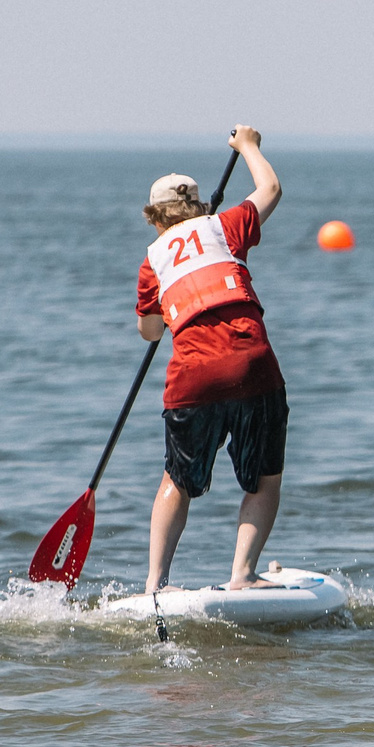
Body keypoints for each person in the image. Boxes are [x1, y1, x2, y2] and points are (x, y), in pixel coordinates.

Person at [137, 126, 288, 593]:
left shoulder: (153, 262)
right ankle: (242, 574)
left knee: (177, 481)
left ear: (156, 219)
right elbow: (271, 189)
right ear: (199, 207)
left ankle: (156, 584)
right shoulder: (224, 227)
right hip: (252, 365)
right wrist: (248, 147)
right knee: (262, 479)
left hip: (193, 380)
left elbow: (150, 330)